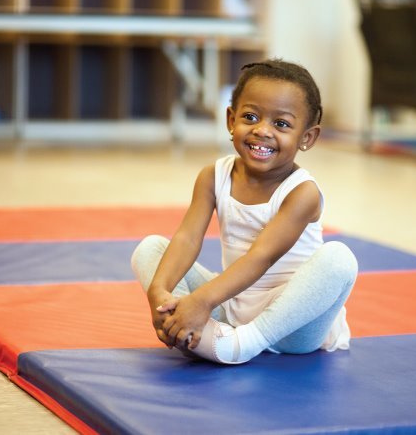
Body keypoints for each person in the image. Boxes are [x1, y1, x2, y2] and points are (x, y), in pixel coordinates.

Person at [131, 59, 358, 365]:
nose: (262, 131)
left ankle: (245, 343)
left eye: (281, 124)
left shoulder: (302, 192)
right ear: (230, 119)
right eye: (250, 117)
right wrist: (159, 293)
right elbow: (186, 238)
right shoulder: (213, 175)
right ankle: (190, 329)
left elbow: (261, 257)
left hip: (292, 325)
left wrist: (201, 300)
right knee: (150, 249)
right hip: (232, 308)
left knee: (339, 259)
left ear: (307, 138)